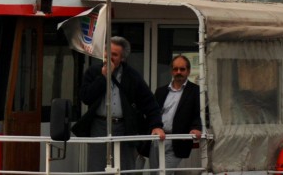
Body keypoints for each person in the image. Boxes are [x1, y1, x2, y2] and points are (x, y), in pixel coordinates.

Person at [74, 36, 165, 173]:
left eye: (114, 54)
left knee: (125, 166)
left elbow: (149, 102)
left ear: (122, 58)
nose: (109, 57)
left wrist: (156, 125)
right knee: (97, 165)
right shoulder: (93, 71)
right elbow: (85, 97)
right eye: (107, 52)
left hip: (124, 126)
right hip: (99, 125)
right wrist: (103, 77)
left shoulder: (132, 76)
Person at [152, 54, 202, 173]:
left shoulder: (196, 91)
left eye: (182, 69)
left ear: (188, 71)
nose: (178, 72)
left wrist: (196, 128)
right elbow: (153, 113)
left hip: (178, 141)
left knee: (163, 173)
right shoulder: (160, 91)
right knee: (153, 172)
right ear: (171, 71)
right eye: (175, 69)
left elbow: (198, 113)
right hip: (157, 139)